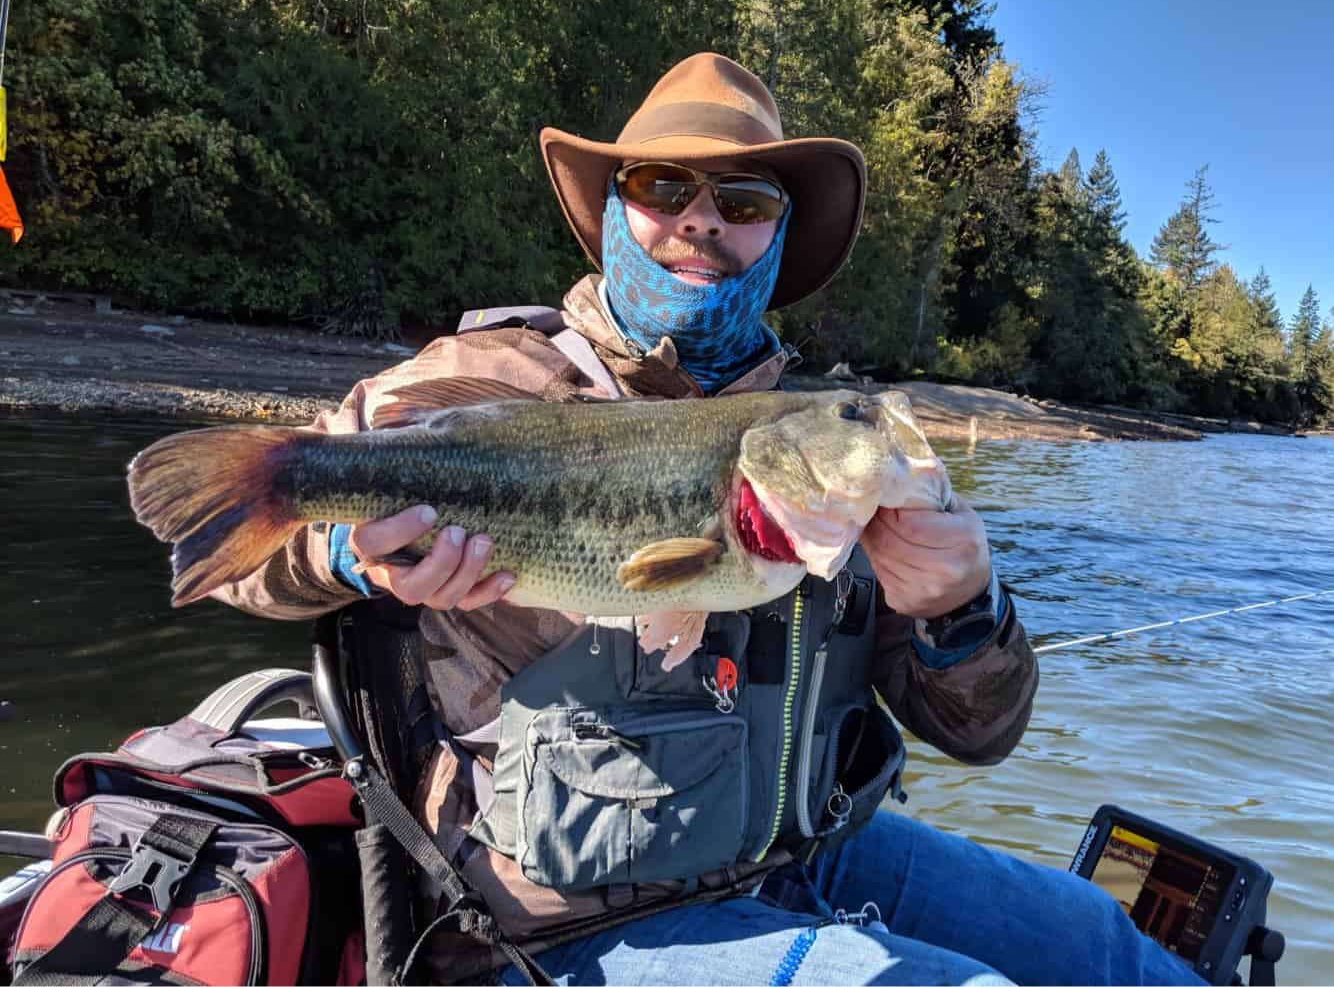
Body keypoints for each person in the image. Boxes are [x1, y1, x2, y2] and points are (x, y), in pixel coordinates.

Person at [215, 54, 1203, 986]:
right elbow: (233, 549)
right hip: (558, 919)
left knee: (1103, 940)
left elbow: (979, 733)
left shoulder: (822, 447)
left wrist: (961, 607)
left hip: (802, 845)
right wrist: (352, 548)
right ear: (614, 207)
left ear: (773, 236)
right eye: (660, 187)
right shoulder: (473, 384)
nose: (698, 221)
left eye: (740, 202)